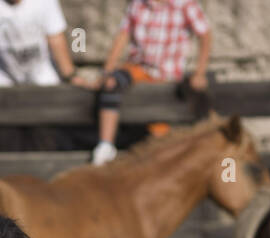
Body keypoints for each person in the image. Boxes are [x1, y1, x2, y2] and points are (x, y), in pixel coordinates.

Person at [91, 0, 212, 165]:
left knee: (159, 135)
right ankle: (105, 146)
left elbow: (205, 34)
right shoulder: (138, 3)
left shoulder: (185, 4)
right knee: (112, 83)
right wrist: (107, 71)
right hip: (138, 67)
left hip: (168, 74)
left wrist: (200, 73)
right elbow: (123, 34)